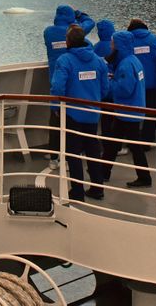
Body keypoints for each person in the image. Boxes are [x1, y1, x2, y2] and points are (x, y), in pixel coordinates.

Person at [50, 24, 110, 202]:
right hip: (92, 114)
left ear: (68, 41)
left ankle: (77, 192)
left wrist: (55, 107)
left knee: (74, 154)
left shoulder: (65, 61)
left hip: (72, 114)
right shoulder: (98, 61)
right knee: (93, 151)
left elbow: (58, 87)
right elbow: (105, 88)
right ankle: (97, 188)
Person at [100, 30, 151, 189]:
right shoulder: (134, 60)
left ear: (119, 45)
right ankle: (104, 172)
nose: (111, 45)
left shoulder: (125, 65)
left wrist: (110, 83)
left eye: (113, 43)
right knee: (115, 143)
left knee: (134, 146)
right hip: (132, 109)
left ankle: (144, 177)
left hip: (128, 110)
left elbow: (125, 90)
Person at [43, 5, 92, 168]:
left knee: (55, 122)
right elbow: (90, 23)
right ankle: (73, 155)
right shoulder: (74, 31)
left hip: (55, 82)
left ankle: (53, 157)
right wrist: (79, 14)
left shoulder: (48, 32)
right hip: (74, 84)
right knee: (73, 123)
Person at [126, 18, 156, 144]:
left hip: (135, 83)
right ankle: (148, 139)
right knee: (151, 112)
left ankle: (133, 139)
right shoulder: (153, 39)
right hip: (151, 81)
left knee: (132, 111)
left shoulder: (129, 40)